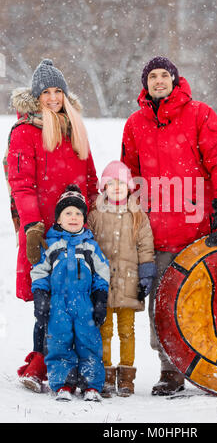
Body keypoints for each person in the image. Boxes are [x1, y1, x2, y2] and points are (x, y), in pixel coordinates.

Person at [121, 56, 217, 396]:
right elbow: (130, 173)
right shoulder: (135, 124)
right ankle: (170, 370)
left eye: (165, 75)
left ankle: (215, 364)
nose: (159, 81)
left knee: (204, 303)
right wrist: (129, 216)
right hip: (156, 235)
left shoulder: (200, 114)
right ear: (145, 84)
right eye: (152, 76)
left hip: (197, 232)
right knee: (161, 307)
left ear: (175, 81)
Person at [5, 59, 99, 392]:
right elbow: (21, 183)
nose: (53, 97)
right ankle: (40, 362)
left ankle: (65, 363)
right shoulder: (24, 132)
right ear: (36, 95)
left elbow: (90, 181)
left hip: (76, 230)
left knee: (75, 300)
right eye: (46, 92)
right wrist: (31, 226)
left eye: (58, 91)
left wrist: (95, 217)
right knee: (46, 300)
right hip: (43, 230)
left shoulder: (76, 128)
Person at [30, 185, 109, 401]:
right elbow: (39, 271)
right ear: (58, 219)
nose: (73, 217)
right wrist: (40, 296)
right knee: (58, 342)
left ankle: (91, 385)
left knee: (89, 343)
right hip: (58, 304)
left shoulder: (91, 246)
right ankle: (63, 383)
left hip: (85, 304)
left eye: (78, 213)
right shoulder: (51, 245)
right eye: (68, 213)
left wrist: (100, 298)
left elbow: (102, 271)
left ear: (84, 218)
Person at [87, 160, 156, 397]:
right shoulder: (95, 215)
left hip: (129, 283)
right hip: (103, 285)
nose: (116, 188)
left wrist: (146, 274)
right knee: (104, 331)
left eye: (121, 184)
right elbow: (89, 246)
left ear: (129, 187)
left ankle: (126, 378)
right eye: (111, 184)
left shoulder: (138, 216)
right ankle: (105, 375)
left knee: (127, 331)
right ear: (103, 188)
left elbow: (146, 247)